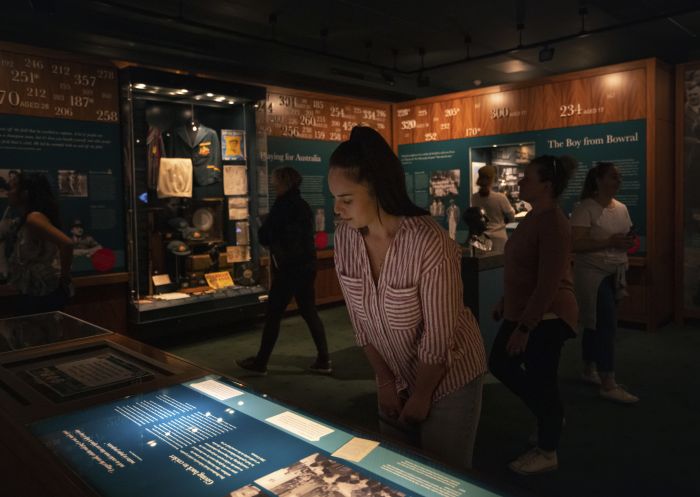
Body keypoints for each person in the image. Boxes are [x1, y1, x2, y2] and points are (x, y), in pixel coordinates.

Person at [329, 126, 487, 470]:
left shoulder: (428, 242)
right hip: (394, 373)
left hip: (448, 377)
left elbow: (439, 338)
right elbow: (361, 324)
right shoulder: (345, 239)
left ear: (378, 189)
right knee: (396, 468)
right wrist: (386, 382)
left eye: (346, 199)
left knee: (441, 475)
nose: (337, 209)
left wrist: (422, 394)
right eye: (334, 198)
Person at [489, 155, 578, 475]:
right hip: (526, 310)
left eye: (527, 178)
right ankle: (548, 416)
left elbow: (549, 282)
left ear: (547, 185)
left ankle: (548, 448)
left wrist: (525, 327)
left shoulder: (553, 222)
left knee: (542, 380)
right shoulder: (533, 216)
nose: (520, 182)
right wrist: (506, 300)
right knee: (502, 364)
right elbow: (525, 269)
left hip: (547, 315)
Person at [237, 167, 331, 375]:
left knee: (273, 314)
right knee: (309, 311)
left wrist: (264, 224)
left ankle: (261, 362)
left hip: (289, 269)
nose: (273, 185)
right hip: (307, 266)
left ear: (284, 182)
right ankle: (324, 359)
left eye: (276, 182)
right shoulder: (303, 205)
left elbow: (265, 236)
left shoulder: (282, 206)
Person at [571, 162, 639, 403]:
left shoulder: (621, 208)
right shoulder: (585, 208)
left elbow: (627, 236)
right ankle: (608, 382)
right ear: (598, 180)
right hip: (593, 273)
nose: (618, 181)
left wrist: (627, 242)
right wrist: (610, 242)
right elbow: (576, 244)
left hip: (615, 270)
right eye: (613, 177)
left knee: (594, 322)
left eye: (619, 177)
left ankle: (589, 368)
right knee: (606, 325)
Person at [7, 173, 74, 315]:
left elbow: (67, 243)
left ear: (25, 193)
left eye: (13, 188)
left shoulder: (34, 217)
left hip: (44, 292)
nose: (8, 192)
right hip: (37, 289)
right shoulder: (29, 217)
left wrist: (65, 276)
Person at [471, 165, 515, 253]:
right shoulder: (500, 198)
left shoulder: (474, 197)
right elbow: (511, 217)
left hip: (481, 240)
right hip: (499, 239)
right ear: (492, 179)